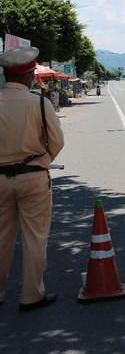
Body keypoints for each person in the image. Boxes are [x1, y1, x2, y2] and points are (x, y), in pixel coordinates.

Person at [0, 46, 64, 312]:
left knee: (2, 236)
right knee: (35, 237)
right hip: (34, 176)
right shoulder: (38, 102)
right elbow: (57, 141)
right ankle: (31, 295)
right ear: (29, 76)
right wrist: (42, 162)